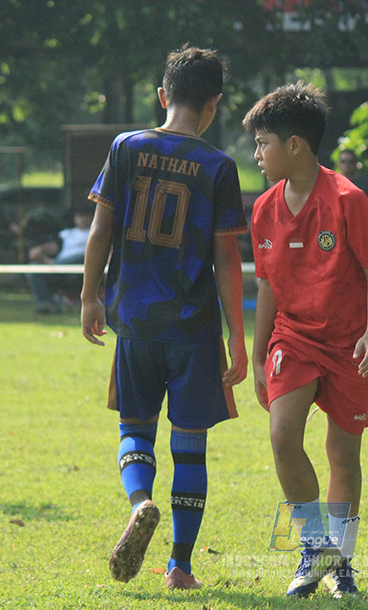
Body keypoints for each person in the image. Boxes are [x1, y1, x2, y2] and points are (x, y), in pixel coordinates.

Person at [79, 46, 248, 592]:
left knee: (134, 429)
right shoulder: (219, 168)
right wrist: (237, 337)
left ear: (162, 96)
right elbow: (227, 260)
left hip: (134, 320)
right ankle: (180, 566)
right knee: (190, 444)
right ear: (214, 105)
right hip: (193, 328)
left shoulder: (126, 147)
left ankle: (141, 500)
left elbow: (100, 231)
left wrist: (89, 297)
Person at [244, 82, 368, 598]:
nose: (257, 154)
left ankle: (341, 564)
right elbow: (266, 286)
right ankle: (314, 546)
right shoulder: (263, 209)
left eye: (263, 143)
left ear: (295, 145)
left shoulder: (348, 199)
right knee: (283, 435)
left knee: (342, 455)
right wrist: (259, 356)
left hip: (349, 345)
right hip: (294, 338)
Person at [26, 201, 92, 313]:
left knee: (82, 256)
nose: (83, 219)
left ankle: (54, 266)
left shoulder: (96, 233)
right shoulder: (65, 234)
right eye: (80, 216)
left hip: (83, 270)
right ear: (74, 218)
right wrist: (40, 252)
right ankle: (46, 304)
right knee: (33, 269)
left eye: (86, 216)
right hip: (62, 269)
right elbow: (54, 247)